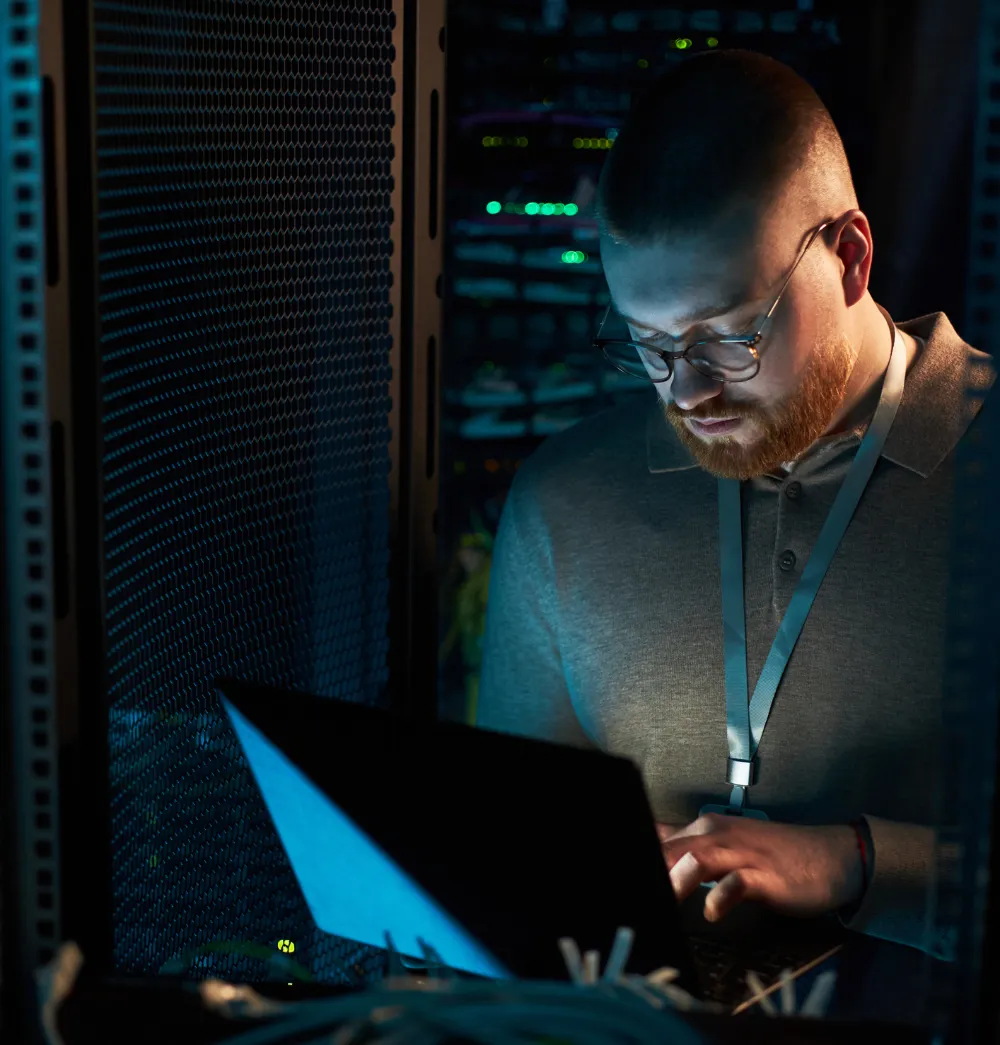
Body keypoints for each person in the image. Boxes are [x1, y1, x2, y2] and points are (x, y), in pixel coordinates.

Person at [476, 49, 995, 960]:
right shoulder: (564, 505)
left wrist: (855, 863)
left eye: (730, 335)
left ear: (851, 257)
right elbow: (511, 873)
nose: (688, 394)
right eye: (647, 342)